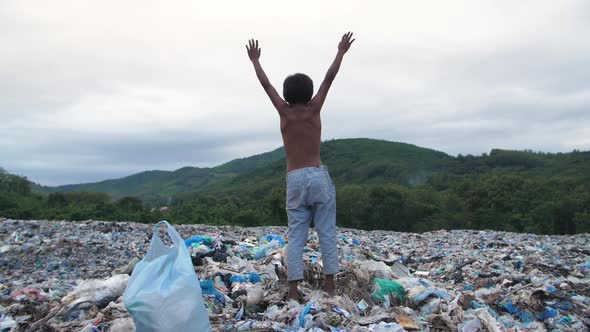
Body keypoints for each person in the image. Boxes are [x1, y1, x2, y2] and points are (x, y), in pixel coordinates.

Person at [246, 32, 355, 300]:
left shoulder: (284, 112)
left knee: (296, 237)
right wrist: (340, 51)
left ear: (287, 95)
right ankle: (329, 286)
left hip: (295, 178)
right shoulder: (314, 108)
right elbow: (329, 79)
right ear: (308, 93)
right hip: (317, 175)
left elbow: (266, 86)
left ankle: (294, 290)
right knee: (326, 232)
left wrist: (255, 61)